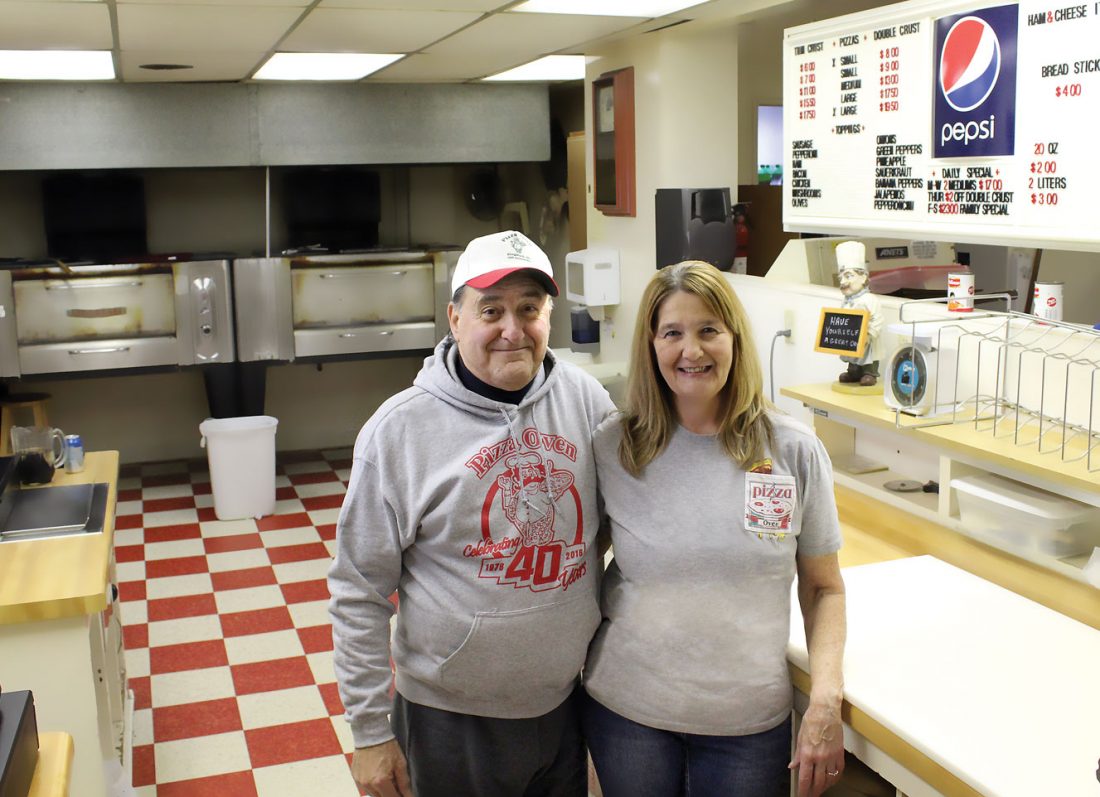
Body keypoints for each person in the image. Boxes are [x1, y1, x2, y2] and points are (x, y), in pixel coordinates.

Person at [328, 230, 615, 797]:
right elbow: (358, 590)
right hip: (449, 717)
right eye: (491, 310)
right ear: (455, 319)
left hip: (563, 703)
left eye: (529, 309)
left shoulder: (587, 402)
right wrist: (369, 732)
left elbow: (617, 525)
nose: (513, 329)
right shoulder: (399, 431)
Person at [582, 261, 847, 797]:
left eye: (709, 330)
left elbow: (824, 588)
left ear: (734, 338)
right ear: (651, 345)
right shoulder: (615, 447)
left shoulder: (792, 450)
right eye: (672, 333)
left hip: (747, 723)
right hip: (629, 712)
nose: (692, 350)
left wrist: (825, 700)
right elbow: (577, 562)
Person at [835, 240, 883, 387]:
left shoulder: (870, 299)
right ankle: (853, 372)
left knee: (868, 356)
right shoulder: (846, 301)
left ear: (863, 278)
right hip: (852, 340)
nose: (843, 282)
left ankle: (870, 373)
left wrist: (869, 334)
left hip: (867, 339)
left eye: (848, 276)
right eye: (841, 278)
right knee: (852, 357)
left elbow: (878, 319)